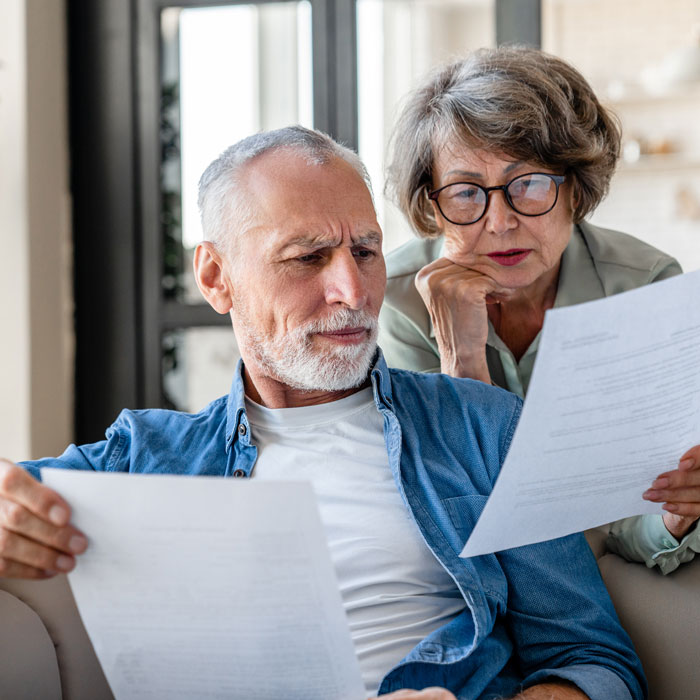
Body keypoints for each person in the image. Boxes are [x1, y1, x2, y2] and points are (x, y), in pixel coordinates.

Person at [0, 126, 644, 700]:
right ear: (217, 277)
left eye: (365, 251)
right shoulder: (144, 455)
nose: (353, 291)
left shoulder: (485, 428)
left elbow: (595, 663)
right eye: (308, 257)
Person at [379, 45, 700, 575]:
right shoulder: (397, 300)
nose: (499, 221)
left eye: (527, 184)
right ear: (431, 206)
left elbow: (628, 509)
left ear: (575, 188)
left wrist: (673, 518)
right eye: (464, 192)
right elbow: (446, 513)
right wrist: (462, 364)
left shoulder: (643, 287)